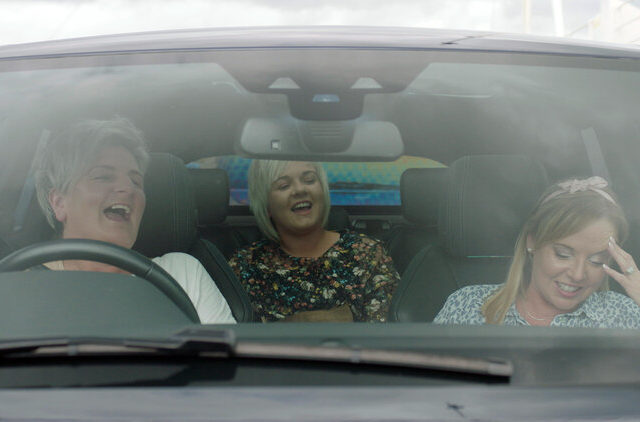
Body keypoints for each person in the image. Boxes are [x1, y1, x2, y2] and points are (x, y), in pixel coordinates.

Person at [32, 117, 235, 324]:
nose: (128, 189)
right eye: (103, 177)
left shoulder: (181, 273)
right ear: (59, 202)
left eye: (136, 181)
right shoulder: (23, 283)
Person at [434, 176, 640, 328]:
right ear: (532, 242)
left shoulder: (625, 315)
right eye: (563, 254)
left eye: (596, 260)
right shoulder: (468, 305)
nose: (578, 275)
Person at [228, 160, 399, 322]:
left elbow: (386, 334)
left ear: (323, 191)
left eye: (309, 180)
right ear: (266, 206)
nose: (300, 190)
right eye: (284, 185)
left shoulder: (367, 254)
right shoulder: (245, 266)